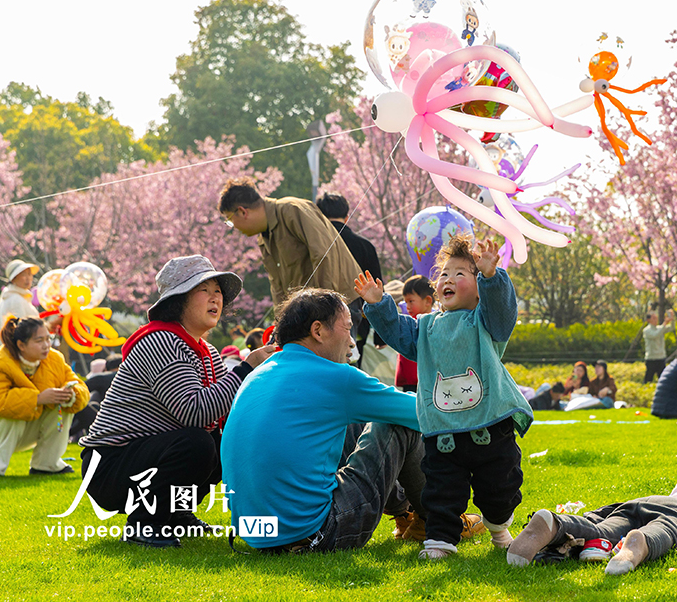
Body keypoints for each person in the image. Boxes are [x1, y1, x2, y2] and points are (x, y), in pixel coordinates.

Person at [221, 287, 441, 554]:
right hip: (317, 533)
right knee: (394, 423)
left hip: (256, 535)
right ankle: (436, 521)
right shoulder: (336, 377)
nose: (352, 341)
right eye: (347, 328)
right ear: (318, 330)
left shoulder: (258, 373)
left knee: (351, 423)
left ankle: (404, 513)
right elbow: (423, 412)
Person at [79, 255, 276, 548]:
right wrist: (245, 368)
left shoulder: (205, 349)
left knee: (224, 443)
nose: (215, 298)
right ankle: (145, 524)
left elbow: (230, 407)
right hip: (109, 464)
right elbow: (194, 412)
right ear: (178, 300)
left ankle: (174, 514)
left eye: (218, 291)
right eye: (203, 290)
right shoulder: (161, 342)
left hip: (139, 456)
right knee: (197, 443)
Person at [358, 236, 533, 560]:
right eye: (444, 274)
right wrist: (379, 304)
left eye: (460, 274)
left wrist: (491, 277)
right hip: (444, 432)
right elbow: (397, 331)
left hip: (490, 426)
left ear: (478, 289)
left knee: (499, 487)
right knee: (440, 488)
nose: (448, 280)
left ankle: (498, 527)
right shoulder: (425, 328)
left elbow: (502, 310)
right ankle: (440, 540)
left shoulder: (486, 322)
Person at [507, 418, 677, 575]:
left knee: (603, 530)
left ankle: (555, 523)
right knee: (664, 532)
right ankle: (639, 543)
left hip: (651, 501)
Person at [217, 178, 362, 330]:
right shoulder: (264, 238)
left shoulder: (292, 209)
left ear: (242, 211)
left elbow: (324, 254)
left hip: (337, 303)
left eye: (230, 220)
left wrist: (325, 308)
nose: (234, 227)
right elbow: (278, 287)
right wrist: (281, 323)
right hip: (312, 311)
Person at [0, 317, 88, 477]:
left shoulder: (54, 358)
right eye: (39, 340)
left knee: (63, 405)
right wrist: (38, 398)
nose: (46, 345)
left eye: (48, 339)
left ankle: (46, 464)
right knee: (11, 409)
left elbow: (80, 386)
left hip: (24, 429)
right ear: (21, 345)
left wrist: (70, 394)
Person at [317, 191, 383, 359]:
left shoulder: (315, 245)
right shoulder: (365, 246)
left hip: (318, 321)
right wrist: (380, 334)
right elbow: (377, 289)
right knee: (352, 363)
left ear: (320, 217)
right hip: (356, 321)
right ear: (347, 217)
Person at [68, 354, 123, 444]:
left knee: (82, 403)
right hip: (132, 423)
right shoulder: (135, 378)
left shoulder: (102, 378)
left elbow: (78, 391)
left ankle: (67, 433)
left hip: (107, 424)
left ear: (106, 369)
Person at [395, 275, 435, 394]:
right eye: (405, 301)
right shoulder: (408, 321)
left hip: (424, 378)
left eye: (411, 301)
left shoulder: (434, 322)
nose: (407, 306)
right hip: (409, 379)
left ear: (427, 301)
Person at [0, 259, 40, 345]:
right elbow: (22, 331)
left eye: (29, 274)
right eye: (23, 275)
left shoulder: (11, 295)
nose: (28, 278)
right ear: (13, 279)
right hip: (16, 349)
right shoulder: (15, 299)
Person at [642, 309, 674, 383]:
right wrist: (664, 323)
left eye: (656, 318)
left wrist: (672, 319)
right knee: (648, 379)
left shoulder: (660, 328)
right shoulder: (646, 330)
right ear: (648, 320)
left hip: (661, 358)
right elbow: (655, 335)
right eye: (653, 318)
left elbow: (672, 328)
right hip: (651, 359)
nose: (656, 319)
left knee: (664, 380)